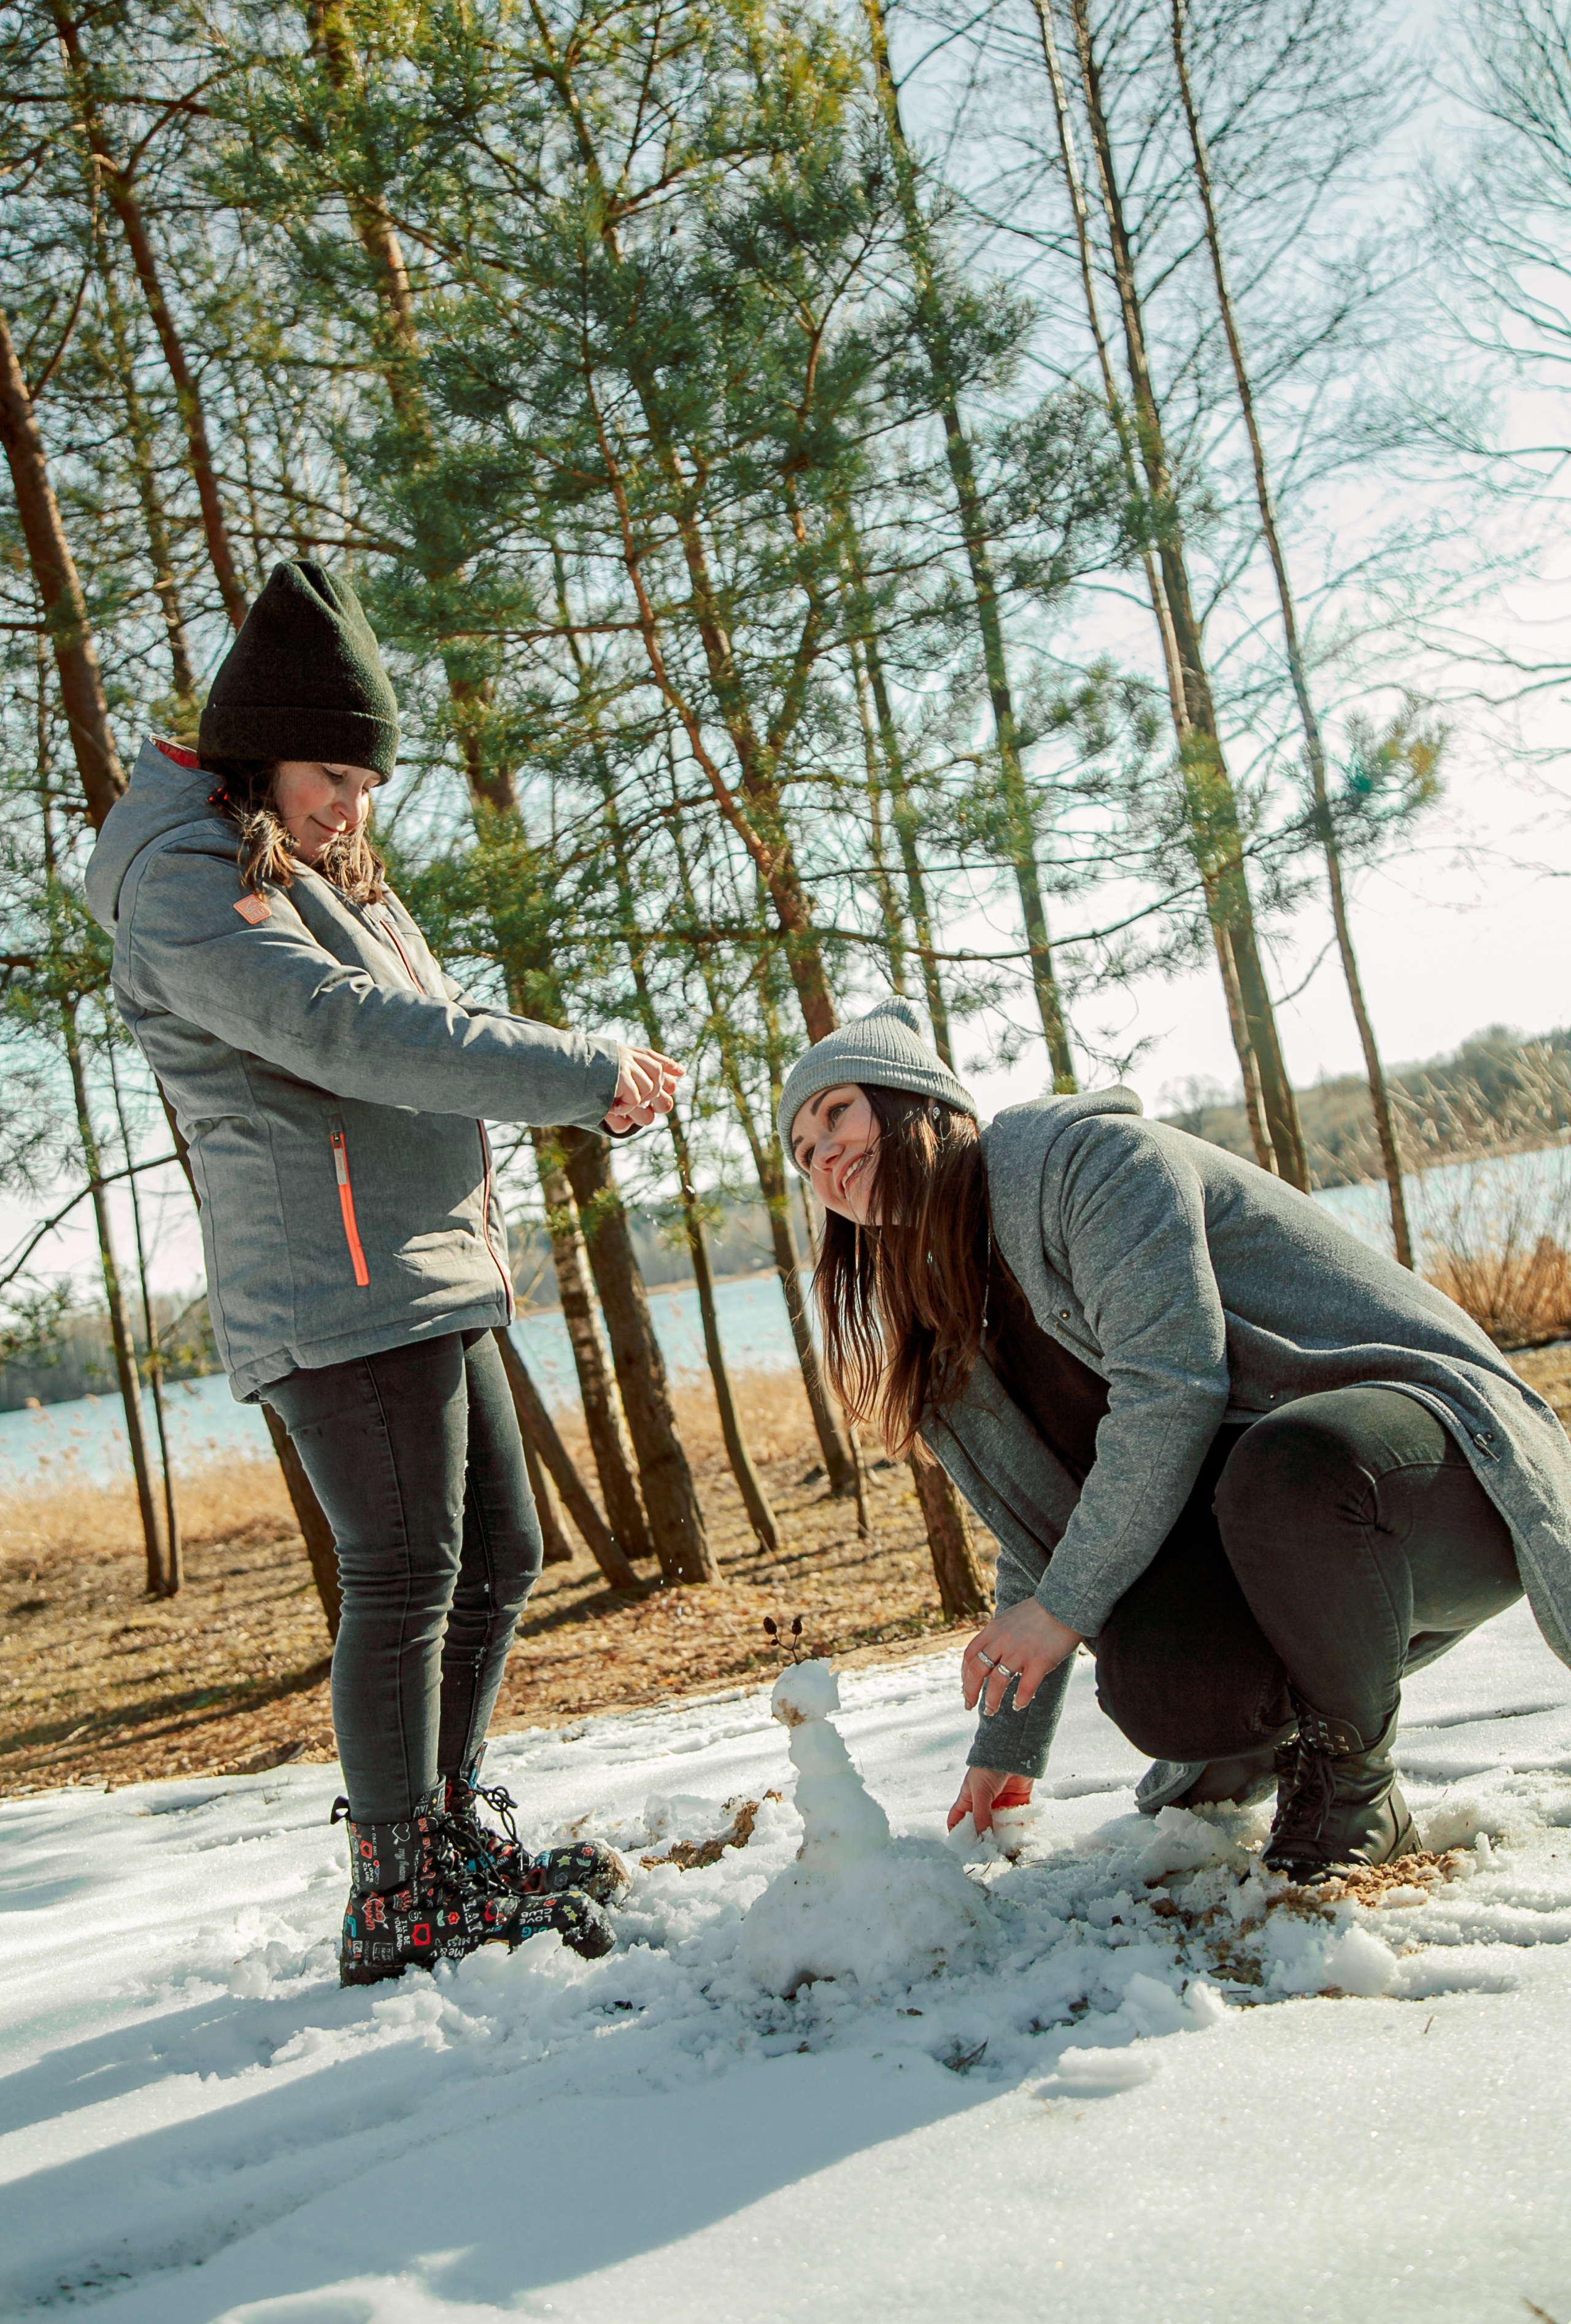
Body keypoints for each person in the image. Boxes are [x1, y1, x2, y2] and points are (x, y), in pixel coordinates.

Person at [86, 560, 682, 1983]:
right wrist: (573, 1074)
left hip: (424, 1266)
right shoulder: (187, 875)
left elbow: (431, 1013)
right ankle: (398, 1887)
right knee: (407, 1569)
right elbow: (341, 1033)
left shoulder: (294, 855)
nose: (351, 808)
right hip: (336, 1285)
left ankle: (448, 1835)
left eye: (364, 782)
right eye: (330, 774)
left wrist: (577, 1060)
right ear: (256, 746)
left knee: (504, 1559)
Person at [779, 998, 1571, 1882]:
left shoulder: (1091, 1166)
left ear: (916, 1100)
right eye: (804, 1155)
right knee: (1159, 1683)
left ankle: (1357, 1785)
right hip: (1289, 1523)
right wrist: (1008, 1742)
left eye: (837, 1112)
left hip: (1438, 1468)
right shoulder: (951, 1317)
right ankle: (1249, 1748)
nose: (827, 1157)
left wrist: (1065, 1611)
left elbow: (1174, 1387)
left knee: (1288, 1466)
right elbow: (1047, 1521)